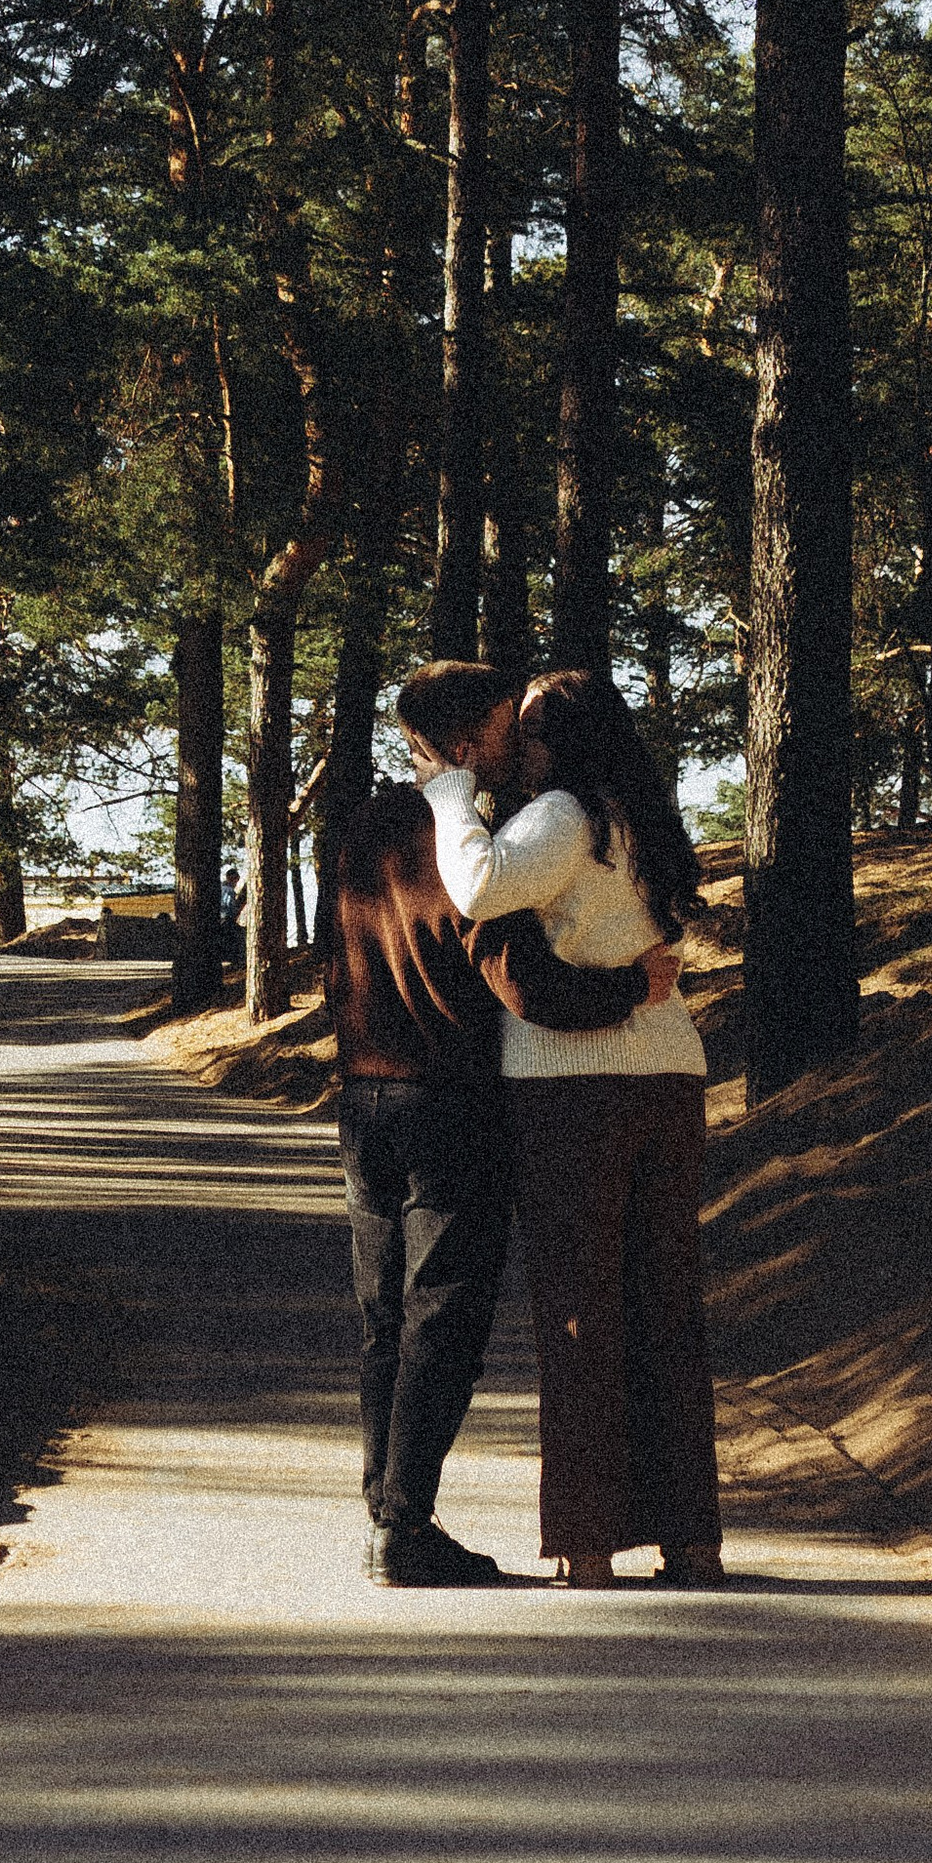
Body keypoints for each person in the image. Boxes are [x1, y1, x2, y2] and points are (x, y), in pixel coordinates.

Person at [327, 659, 683, 1590]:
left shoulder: (365, 826)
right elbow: (521, 981)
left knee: (382, 1319)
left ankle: (385, 1515)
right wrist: (630, 987)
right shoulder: (467, 841)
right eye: (501, 728)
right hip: (450, 1101)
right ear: (463, 741)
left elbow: (341, 958)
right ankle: (403, 1526)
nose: (517, 745)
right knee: (443, 1315)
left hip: (363, 1096)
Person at [422, 664, 724, 1589]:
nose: (518, 745)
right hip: (669, 1074)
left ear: (558, 741)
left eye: (529, 730)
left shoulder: (562, 816)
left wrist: (448, 796)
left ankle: (589, 1544)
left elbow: (477, 888)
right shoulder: (644, 821)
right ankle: (691, 1540)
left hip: (571, 1087)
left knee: (581, 1311)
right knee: (667, 1309)